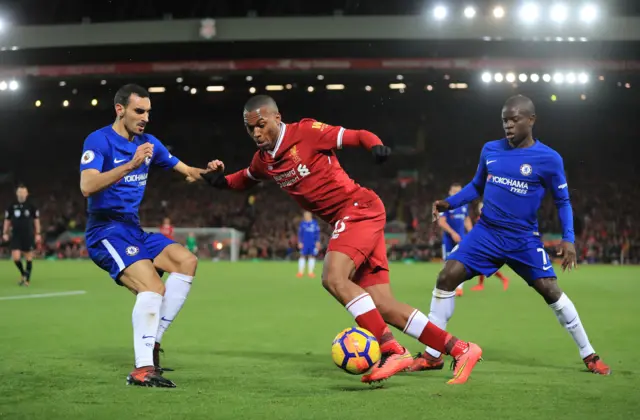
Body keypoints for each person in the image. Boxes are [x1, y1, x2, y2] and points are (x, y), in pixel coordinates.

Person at [200, 95, 482, 385]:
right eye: (250, 129)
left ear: (276, 117)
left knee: (333, 277)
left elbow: (357, 135)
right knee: (382, 305)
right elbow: (244, 178)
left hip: (359, 208)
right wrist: (219, 180)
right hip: (352, 218)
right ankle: (461, 349)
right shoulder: (264, 161)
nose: (257, 133)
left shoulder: (306, 132)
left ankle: (391, 350)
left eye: (261, 125)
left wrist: (375, 146)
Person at [408, 95, 610, 375]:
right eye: (505, 120)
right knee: (446, 276)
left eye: (515, 119)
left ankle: (590, 355)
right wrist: (449, 203)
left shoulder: (549, 159)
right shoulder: (490, 150)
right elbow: (476, 185)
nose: (508, 125)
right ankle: (433, 355)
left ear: (531, 120)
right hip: (486, 233)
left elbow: (563, 202)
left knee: (551, 291)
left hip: (522, 239)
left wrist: (569, 239)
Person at [79, 83, 208, 388]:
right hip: (105, 230)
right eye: (139, 111)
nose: (145, 117)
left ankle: (154, 344)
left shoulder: (150, 143)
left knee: (185, 260)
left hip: (132, 229)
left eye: (148, 111)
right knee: (152, 287)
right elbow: (87, 186)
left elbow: (188, 171)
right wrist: (131, 165)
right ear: (119, 109)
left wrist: (211, 172)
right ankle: (142, 369)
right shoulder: (99, 141)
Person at [437, 183, 473, 297]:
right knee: (447, 264)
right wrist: (452, 233)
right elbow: (441, 222)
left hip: (461, 239)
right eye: (455, 192)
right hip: (448, 239)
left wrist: (471, 233)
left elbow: (467, 220)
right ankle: (444, 285)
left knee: (461, 263)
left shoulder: (464, 205)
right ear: (450, 192)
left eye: (459, 192)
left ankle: (459, 288)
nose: (457, 194)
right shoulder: (445, 204)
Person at [3, 184, 41, 287]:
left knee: (28, 256)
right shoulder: (12, 205)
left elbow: (36, 221)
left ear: (27, 194)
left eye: (23, 192)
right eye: (20, 192)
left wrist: (38, 233)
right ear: (17, 193)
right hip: (16, 235)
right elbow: (7, 220)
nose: (21, 194)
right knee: (16, 258)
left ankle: (27, 280)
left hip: (27, 235)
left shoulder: (31, 206)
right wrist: (5, 233)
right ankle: (23, 273)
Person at [469, 201, 509, 292]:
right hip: (482, 243)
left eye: (482, 207)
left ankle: (483, 284)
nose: (480, 209)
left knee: (482, 264)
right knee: (483, 264)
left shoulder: (488, 218)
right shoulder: (481, 218)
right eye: (479, 207)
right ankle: (502, 279)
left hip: (488, 244)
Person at [297, 211, 320, 278]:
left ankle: (310, 272)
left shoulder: (314, 223)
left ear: (310, 216)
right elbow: (300, 234)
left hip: (312, 243)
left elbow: (317, 234)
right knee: (302, 256)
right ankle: (300, 272)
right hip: (304, 243)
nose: (306, 216)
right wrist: (300, 242)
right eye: (305, 215)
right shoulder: (302, 224)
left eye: (307, 215)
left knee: (312, 256)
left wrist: (317, 242)